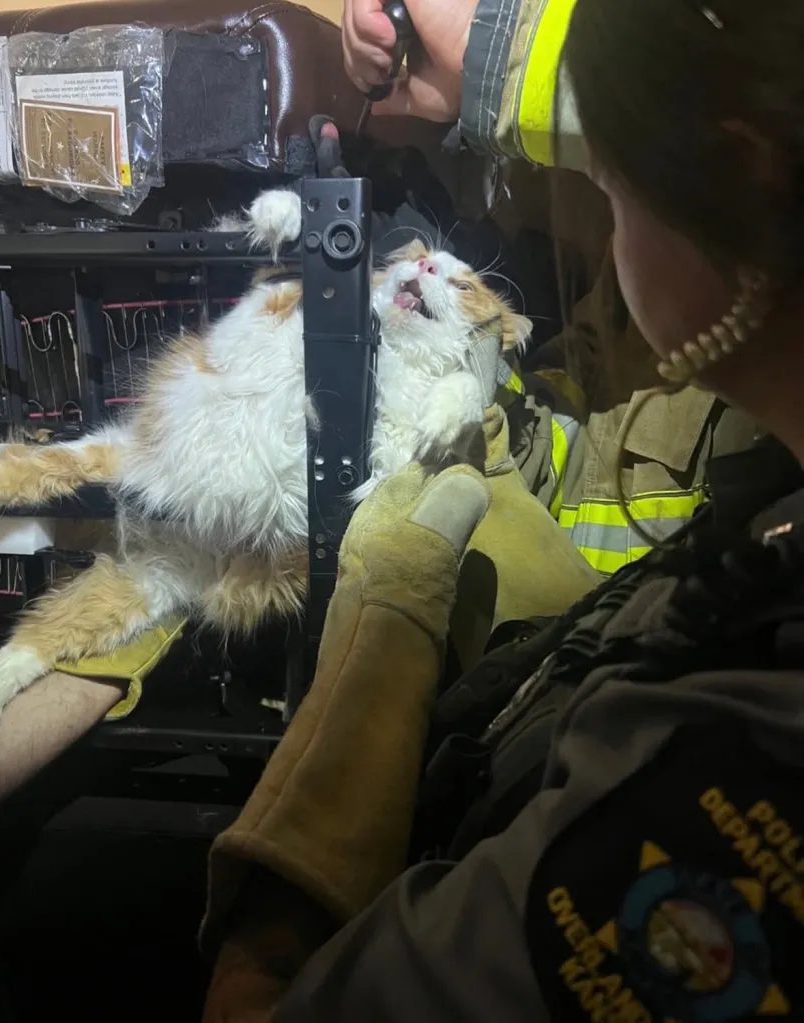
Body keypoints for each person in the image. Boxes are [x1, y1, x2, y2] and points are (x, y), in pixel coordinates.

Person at [198, 0, 804, 1019]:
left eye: (609, 199)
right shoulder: (758, 463)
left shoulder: (736, 762)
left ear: (744, 175)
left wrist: (381, 641)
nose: (608, 240)